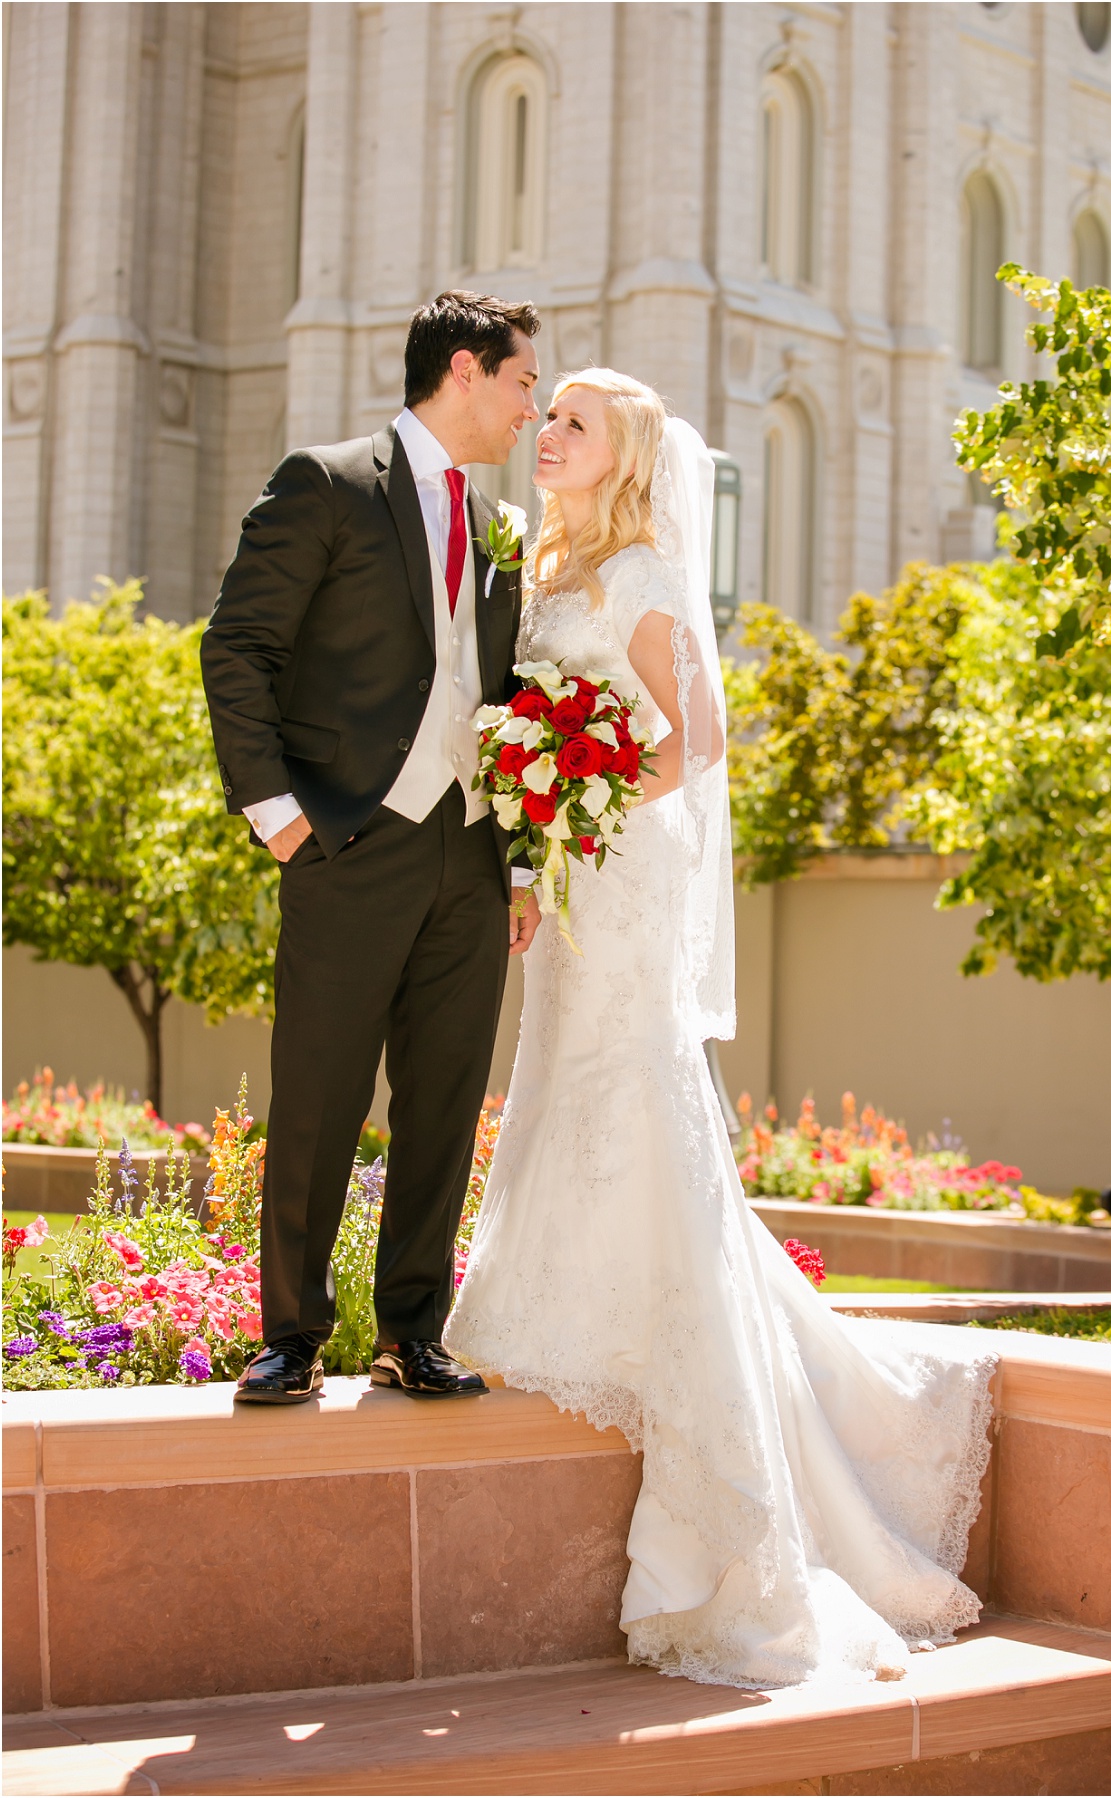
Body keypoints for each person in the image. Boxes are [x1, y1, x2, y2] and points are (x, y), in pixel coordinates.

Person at [445, 370, 997, 1689]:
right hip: (569, 878)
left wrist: (577, 784)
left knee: (632, 1086)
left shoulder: (640, 572)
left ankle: (722, 1495)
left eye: (572, 420)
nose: (548, 433)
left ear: (622, 451)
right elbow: (529, 727)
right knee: (562, 1079)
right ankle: (556, 1300)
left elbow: (696, 738)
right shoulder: (550, 566)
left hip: (624, 874)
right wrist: (531, 839)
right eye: (549, 416)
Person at [202, 291, 543, 1405]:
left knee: (444, 1100)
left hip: (469, 850)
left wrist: (524, 856)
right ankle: (291, 1338)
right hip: (346, 840)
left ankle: (413, 1333)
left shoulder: (503, 529)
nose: (532, 406)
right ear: (465, 370)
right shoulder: (329, 483)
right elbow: (237, 647)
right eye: (523, 380)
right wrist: (279, 816)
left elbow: (505, 695)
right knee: (319, 1095)